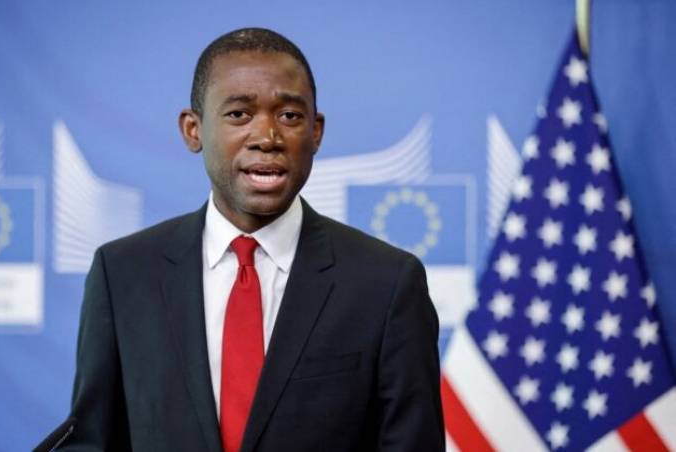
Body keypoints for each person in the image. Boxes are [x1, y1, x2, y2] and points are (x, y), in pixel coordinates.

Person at [55, 27, 444, 451]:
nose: (267, 138)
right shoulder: (123, 274)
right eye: (239, 114)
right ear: (193, 130)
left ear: (316, 132)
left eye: (290, 116)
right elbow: (91, 441)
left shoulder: (386, 283)